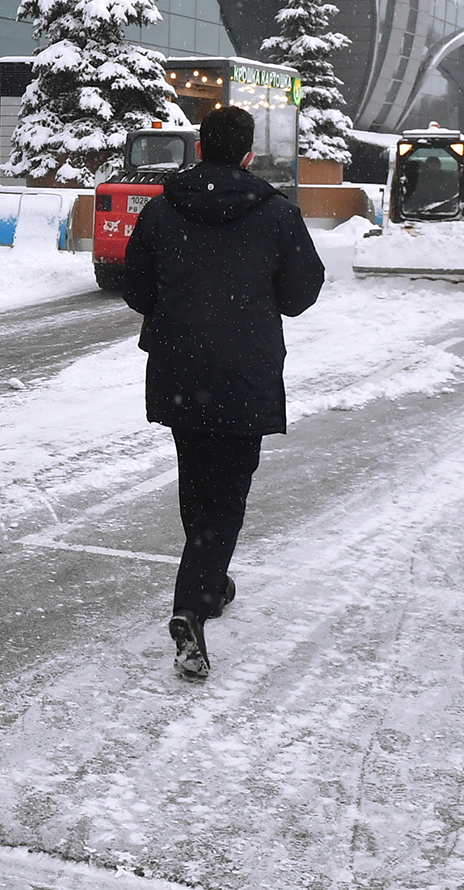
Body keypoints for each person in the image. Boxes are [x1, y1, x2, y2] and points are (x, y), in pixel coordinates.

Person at [121, 105, 326, 679]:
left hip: (180, 371)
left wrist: (182, 311)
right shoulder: (278, 214)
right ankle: (193, 604)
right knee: (228, 494)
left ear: (199, 149)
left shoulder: (162, 210)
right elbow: (300, 292)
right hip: (244, 374)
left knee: (197, 479)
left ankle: (211, 575)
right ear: (247, 154)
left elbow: (135, 288)